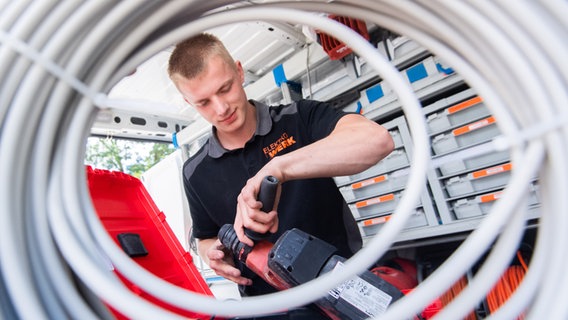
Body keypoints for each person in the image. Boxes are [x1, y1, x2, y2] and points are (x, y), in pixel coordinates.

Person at [167, 33, 394, 297]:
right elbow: (205, 236)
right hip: (268, 306)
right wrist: (212, 254)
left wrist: (278, 168)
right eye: (203, 102)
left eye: (225, 88)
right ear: (188, 103)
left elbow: (377, 141)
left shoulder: (299, 117)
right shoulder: (195, 172)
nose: (220, 109)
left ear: (239, 72)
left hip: (342, 288)